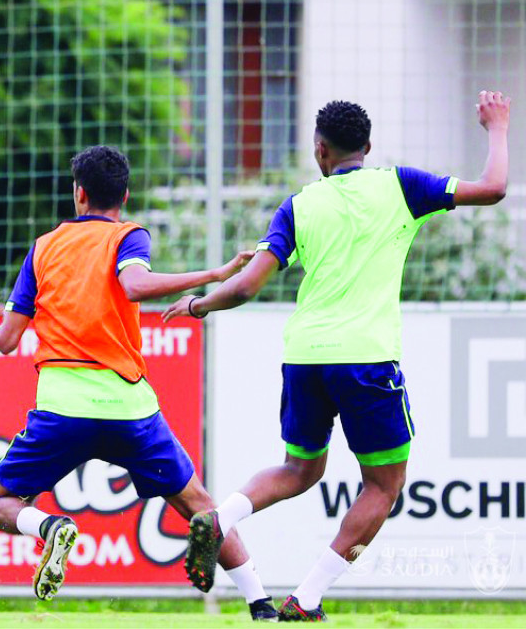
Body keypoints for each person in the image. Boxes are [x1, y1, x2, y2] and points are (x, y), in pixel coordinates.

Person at [165, 92, 511, 621]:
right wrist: (498, 128)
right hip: (367, 359)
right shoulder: (402, 186)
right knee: (384, 484)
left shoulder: (299, 205)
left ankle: (219, 518)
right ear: (367, 147)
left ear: (319, 150)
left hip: (305, 357)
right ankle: (306, 599)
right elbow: (493, 188)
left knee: (299, 469)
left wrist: (197, 304)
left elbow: (247, 286)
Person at [0, 145, 278, 620]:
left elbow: (4, 341)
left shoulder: (43, 247)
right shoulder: (129, 235)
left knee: (1, 501)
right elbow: (135, 285)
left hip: (62, 406)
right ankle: (260, 602)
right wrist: (215, 273)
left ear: (79, 193)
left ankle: (49, 528)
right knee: (199, 505)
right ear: (124, 196)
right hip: (128, 409)